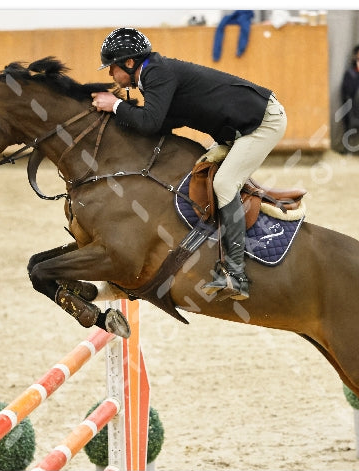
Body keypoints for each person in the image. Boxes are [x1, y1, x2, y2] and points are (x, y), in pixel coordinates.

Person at [91, 27, 287, 301]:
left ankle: (236, 273)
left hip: (261, 124)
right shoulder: (153, 74)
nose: (110, 74)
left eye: (111, 68)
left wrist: (114, 106)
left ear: (130, 62)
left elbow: (150, 122)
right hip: (242, 126)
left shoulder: (156, 73)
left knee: (224, 183)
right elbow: (161, 125)